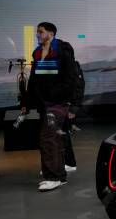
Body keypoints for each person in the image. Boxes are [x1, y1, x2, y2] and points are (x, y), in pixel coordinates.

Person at [22, 22, 77, 192]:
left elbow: (71, 79)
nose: (38, 35)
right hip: (43, 103)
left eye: (41, 32)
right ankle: (57, 175)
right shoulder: (37, 53)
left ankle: (53, 177)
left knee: (48, 137)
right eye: (37, 32)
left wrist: (58, 95)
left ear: (51, 33)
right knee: (53, 139)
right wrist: (26, 102)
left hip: (58, 103)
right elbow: (34, 80)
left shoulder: (63, 52)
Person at [59, 60, 85, 172]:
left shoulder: (72, 65)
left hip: (65, 105)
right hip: (55, 105)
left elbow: (79, 87)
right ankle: (57, 162)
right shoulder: (51, 63)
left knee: (63, 134)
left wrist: (73, 108)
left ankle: (69, 162)